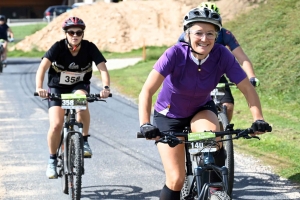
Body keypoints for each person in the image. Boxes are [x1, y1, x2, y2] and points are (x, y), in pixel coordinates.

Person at [138, 7, 270, 200]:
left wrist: (258, 119)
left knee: (211, 141)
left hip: (200, 108)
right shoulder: (174, 54)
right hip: (169, 115)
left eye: (210, 33)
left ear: (216, 36)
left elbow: (247, 89)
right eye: (198, 33)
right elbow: (147, 91)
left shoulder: (222, 55)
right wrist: (145, 124)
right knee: (176, 179)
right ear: (187, 34)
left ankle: (215, 188)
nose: (204, 39)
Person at [35, 16, 111, 179]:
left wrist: (105, 88)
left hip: (79, 86)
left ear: (83, 34)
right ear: (66, 33)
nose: (75, 35)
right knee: (56, 125)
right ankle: (52, 160)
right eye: (71, 32)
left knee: (81, 101)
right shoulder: (58, 47)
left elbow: (102, 69)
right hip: (57, 87)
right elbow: (42, 67)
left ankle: (84, 140)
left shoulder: (89, 48)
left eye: (78, 32)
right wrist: (39, 88)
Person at [178, 2, 259, 122]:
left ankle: (222, 137)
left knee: (228, 107)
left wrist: (251, 76)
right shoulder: (187, 35)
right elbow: (179, 59)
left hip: (216, 75)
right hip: (193, 75)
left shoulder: (225, 35)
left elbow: (242, 58)